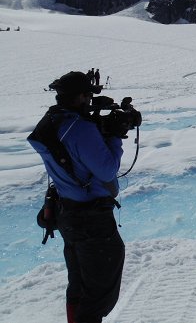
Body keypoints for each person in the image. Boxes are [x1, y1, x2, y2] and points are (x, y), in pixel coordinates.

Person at [27, 71, 126, 323]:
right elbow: (107, 169)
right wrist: (114, 136)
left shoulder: (52, 121)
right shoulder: (79, 128)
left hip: (67, 213)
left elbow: (73, 155)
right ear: (80, 96)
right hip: (91, 219)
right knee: (98, 292)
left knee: (80, 285)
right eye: (88, 95)